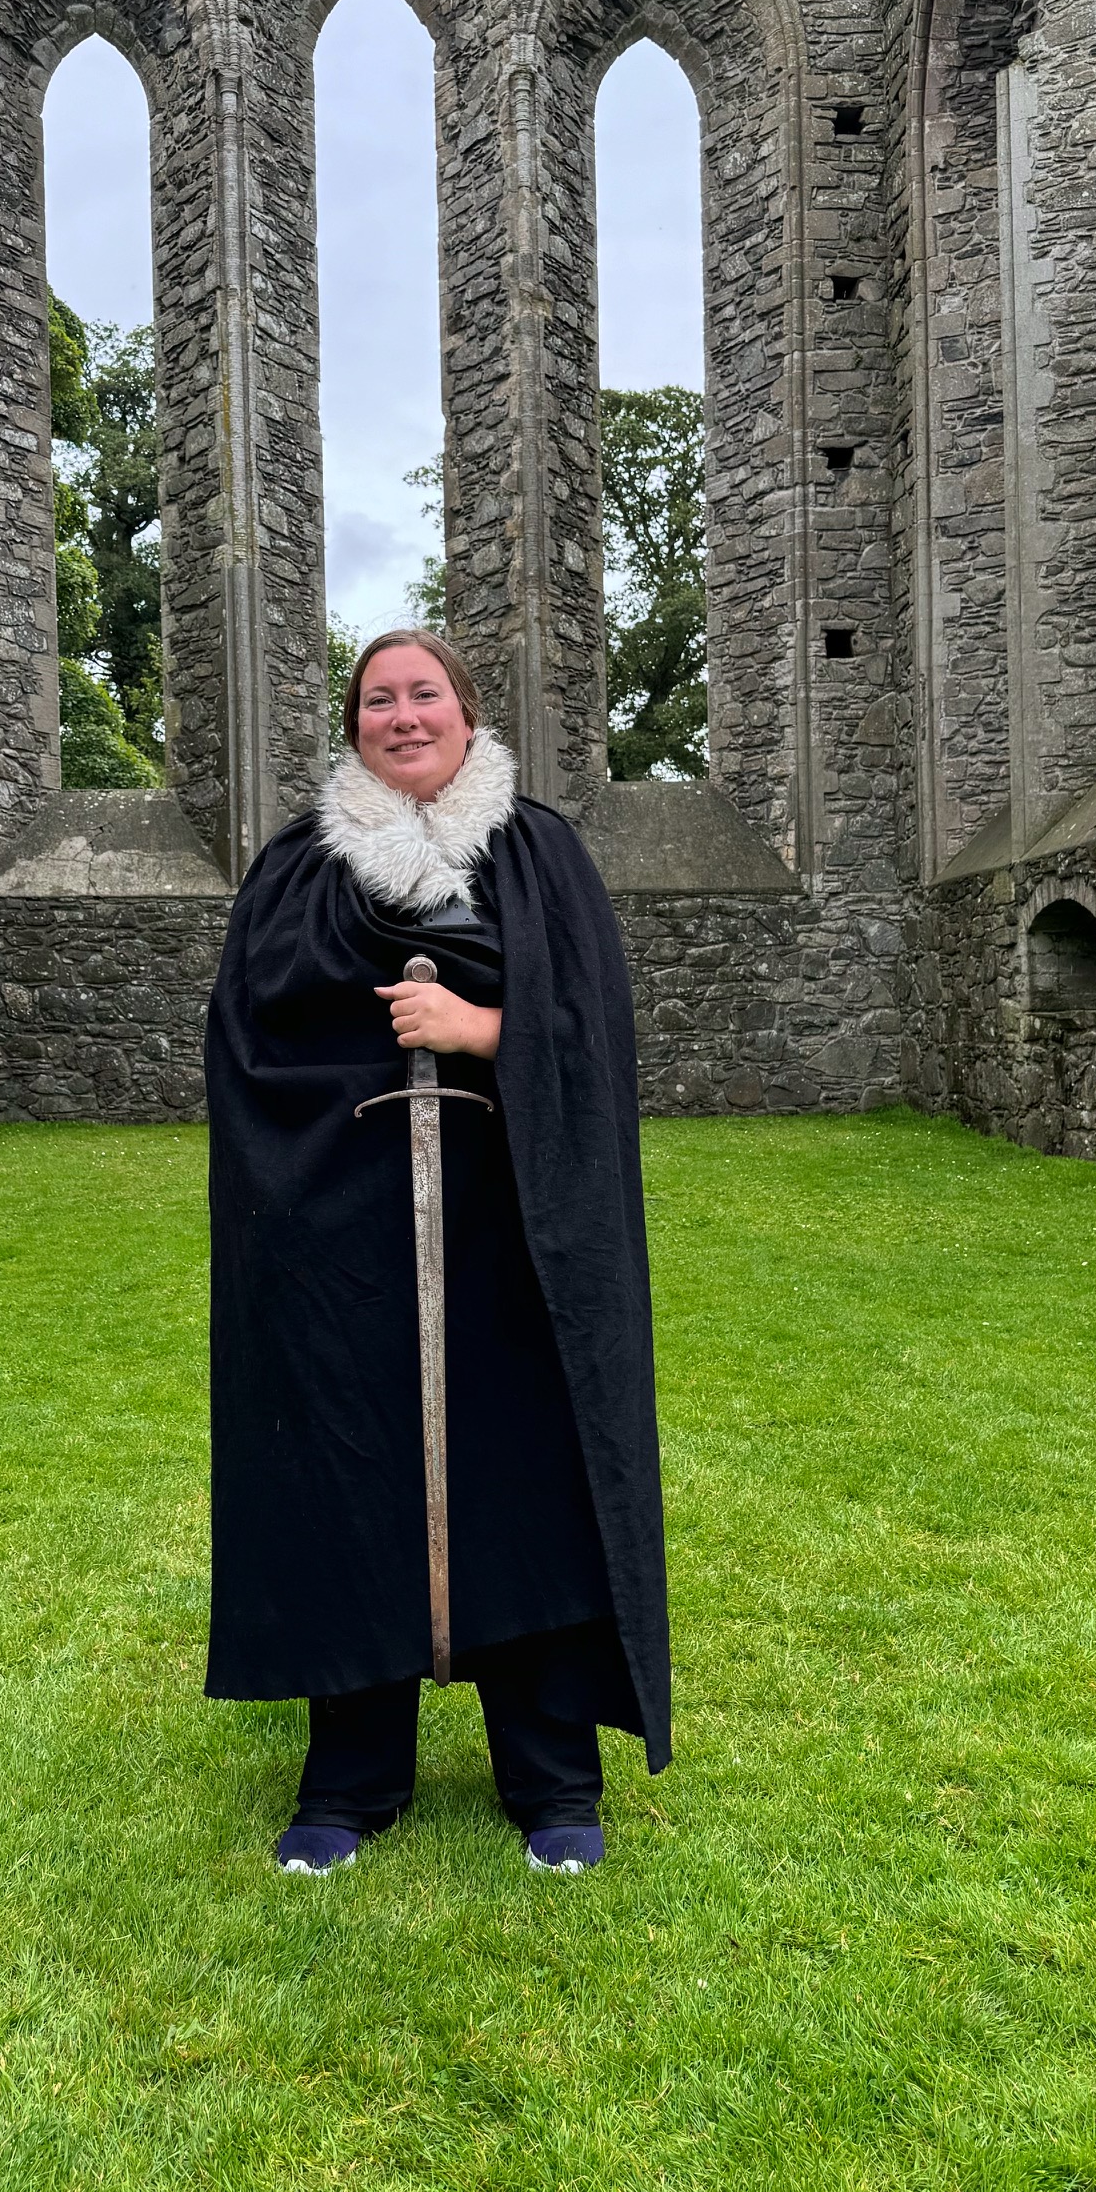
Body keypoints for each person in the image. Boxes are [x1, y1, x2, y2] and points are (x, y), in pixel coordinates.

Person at [204, 626, 671, 1877]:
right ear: (353, 724)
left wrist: (480, 1027)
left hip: (522, 1226)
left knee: (530, 1474)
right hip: (345, 1228)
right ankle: (352, 1779)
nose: (402, 716)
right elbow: (250, 1044)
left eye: (425, 695)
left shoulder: (539, 852)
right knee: (351, 1477)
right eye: (377, 700)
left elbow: (594, 1034)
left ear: (467, 712)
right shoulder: (300, 866)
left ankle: (552, 1774)